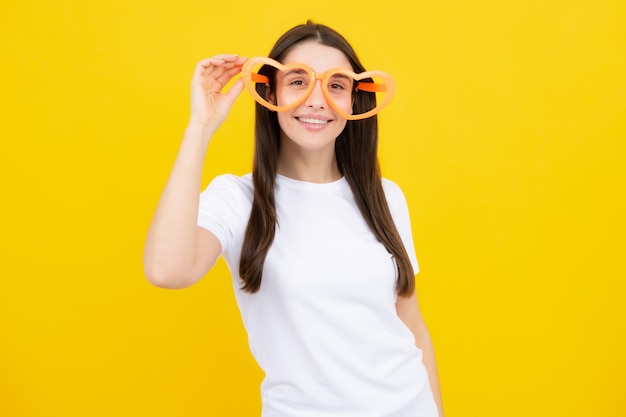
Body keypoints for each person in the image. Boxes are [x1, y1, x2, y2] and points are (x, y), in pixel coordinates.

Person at [143, 20, 444, 417]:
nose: (318, 100)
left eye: (336, 85)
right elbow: (167, 270)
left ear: (355, 100)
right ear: (270, 92)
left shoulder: (386, 197)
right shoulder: (238, 199)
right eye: (298, 81)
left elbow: (412, 326)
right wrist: (200, 127)